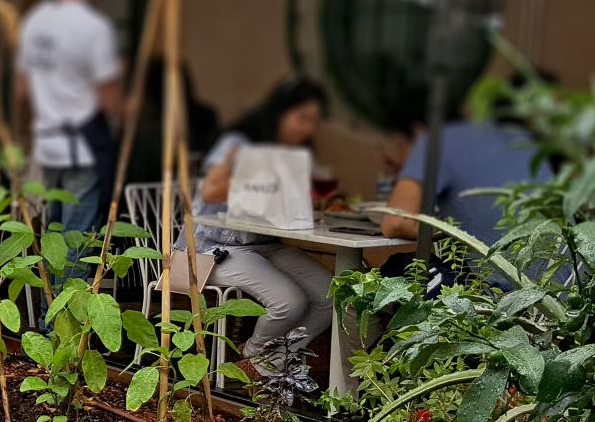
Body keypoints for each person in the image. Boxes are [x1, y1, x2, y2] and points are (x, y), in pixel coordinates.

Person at [186, 75, 334, 371]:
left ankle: (266, 361)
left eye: (314, 122)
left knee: (332, 296)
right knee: (289, 302)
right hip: (214, 246)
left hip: (266, 243)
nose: (308, 128)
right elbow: (210, 191)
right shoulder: (238, 142)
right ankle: (255, 355)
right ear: (279, 111)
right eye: (301, 118)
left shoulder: (288, 152)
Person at [378, 72, 556, 256]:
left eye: (399, 144)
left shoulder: (436, 140)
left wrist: (453, 231)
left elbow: (396, 222)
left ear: (417, 130)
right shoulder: (526, 141)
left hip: (506, 282)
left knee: (397, 266)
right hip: (569, 278)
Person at [15, 0, 122, 283]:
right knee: (77, 239)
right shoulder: (93, 27)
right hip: (82, 147)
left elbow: (22, 89)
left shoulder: (35, 20)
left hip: (48, 144)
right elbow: (109, 98)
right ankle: (63, 326)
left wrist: (53, 92)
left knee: (55, 236)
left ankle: (47, 319)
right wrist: (128, 104)